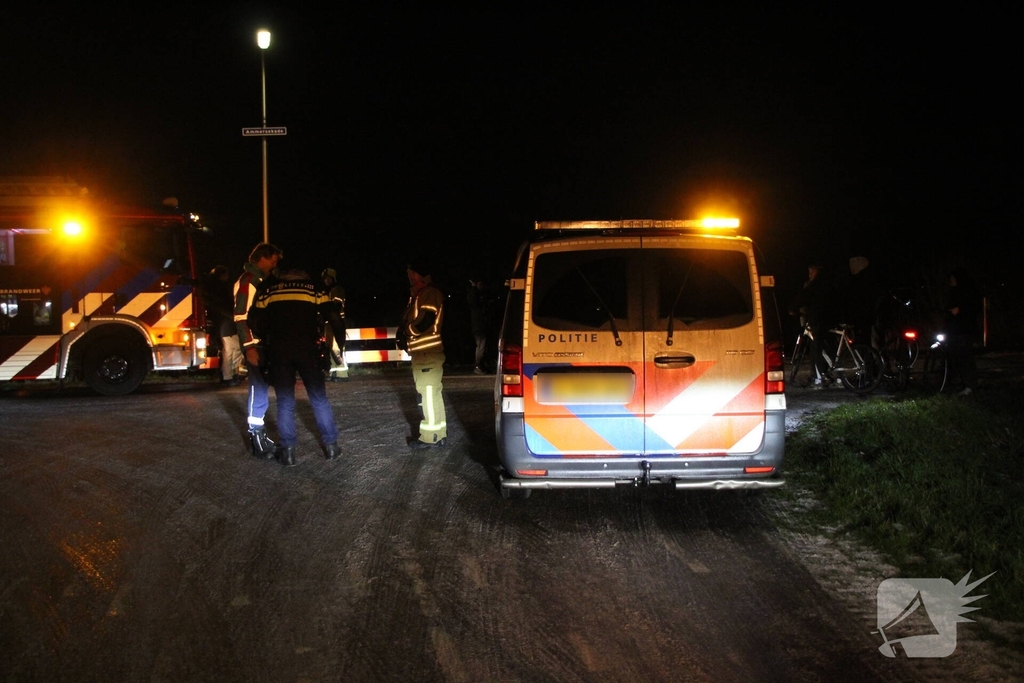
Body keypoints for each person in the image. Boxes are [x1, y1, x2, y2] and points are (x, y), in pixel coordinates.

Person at [248, 268, 344, 466]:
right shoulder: (313, 289)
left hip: (279, 350)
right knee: (319, 398)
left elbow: (254, 320)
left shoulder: (269, 290)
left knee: (285, 401)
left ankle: (289, 452)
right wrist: (339, 346)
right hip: (309, 349)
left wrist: (269, 333)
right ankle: (332, 447)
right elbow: (334, 317)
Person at [234, 243, 283, 458]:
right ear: (262, 258)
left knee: (262, 387)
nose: (275, 264)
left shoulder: (258, 281)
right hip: (256, 345)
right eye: (273, 260)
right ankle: (256, 438)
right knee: (258, 389)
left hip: (262, 343)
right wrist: (249, 346)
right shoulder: (248, 282)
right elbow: (241, 317)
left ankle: (260, 437)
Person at [401, 259, 448, 449]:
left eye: (412, 273)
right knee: (431, 393)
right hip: (424, 353)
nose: (409, 276)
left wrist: (407, 332)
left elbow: (426, 320)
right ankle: (438, 433)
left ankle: (431, 437)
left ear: (421, 275)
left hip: (427, 352)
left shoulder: (429, 293)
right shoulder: (421, 294)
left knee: (428, 393)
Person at [788, 262, 835, 385]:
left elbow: (803, 297)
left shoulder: (816, 285)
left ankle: (819, 376)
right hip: (830, 319)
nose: (809, 274)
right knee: (826, 345)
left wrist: (792, 308)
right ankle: (825, 372)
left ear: (817, 271)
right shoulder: (828, 283)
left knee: (816, 348)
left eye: (812, 271)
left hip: (819, 319)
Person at [944, 267, 981, 394]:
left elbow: (973, 309)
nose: (951, 281)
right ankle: (963, 382)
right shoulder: (954, 292)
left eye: (953, 279)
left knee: (965, 357)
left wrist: (959, 310)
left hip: (963, 330)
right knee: (958, 357)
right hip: (955, 330)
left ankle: (970, 384)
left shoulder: (967, 293)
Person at [206, 265, 243, 386]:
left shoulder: (212, 289)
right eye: (226, 274)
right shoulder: (221, 290)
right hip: (228, 326)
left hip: (221, 326)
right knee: (238, 348)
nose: (228, 277)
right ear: (222, 275)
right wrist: (234, 317)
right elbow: (224, 307)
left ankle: (228, 376)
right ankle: (231, 374)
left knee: (228, 351)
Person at [321, 268, 348, 380]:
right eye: (325, 279)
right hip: (329, 323)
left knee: (337, 346)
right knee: (330, 346)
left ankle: (342, 373)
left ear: (333, 278)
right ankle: (333, 372)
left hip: (336, 322)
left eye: (328, 278)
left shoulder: (337, 289)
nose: (326, 281)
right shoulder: (328, 290)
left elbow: (336, 305)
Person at [467, 278, 488, 374]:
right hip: (478, 325)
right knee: (480, 346)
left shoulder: (479, 296)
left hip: (480, 325)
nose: (481, 286)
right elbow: (473, 300)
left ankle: (480, 365)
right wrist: (474, 288)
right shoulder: (475, 296)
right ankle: (478, 365)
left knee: (481, 346)